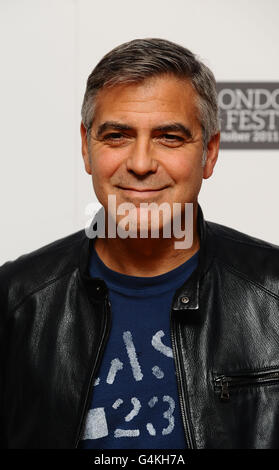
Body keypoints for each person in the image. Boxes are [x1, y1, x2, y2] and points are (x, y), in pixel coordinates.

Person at [1, 38, 279, 450]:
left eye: (169, 137)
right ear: (86, 148)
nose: (141, 163)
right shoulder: (17, 300)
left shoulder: (273, 296)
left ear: (210, 153)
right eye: (117, 135)